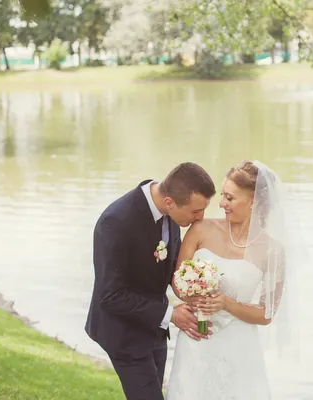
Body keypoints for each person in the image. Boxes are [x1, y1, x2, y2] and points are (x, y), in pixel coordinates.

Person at [166, 160, 299, 399]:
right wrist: (193, 294)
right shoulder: (200, 230)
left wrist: (226, 303)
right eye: (223, 196)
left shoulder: (273, 251)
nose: (221, 204)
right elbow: (177, 281)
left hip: (238, 347)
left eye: (230, 198)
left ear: (253, 202)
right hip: (196, 339)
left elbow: (266, 314)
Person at [84, 162, 216, 400]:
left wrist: (193, 290)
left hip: (155, 330)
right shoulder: (116, 221)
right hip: (123, 333)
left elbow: (167, 269)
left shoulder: (171, 211)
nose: (200, 218)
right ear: (169, 203)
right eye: (196, 211)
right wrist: (171, 315)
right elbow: (110, 295)